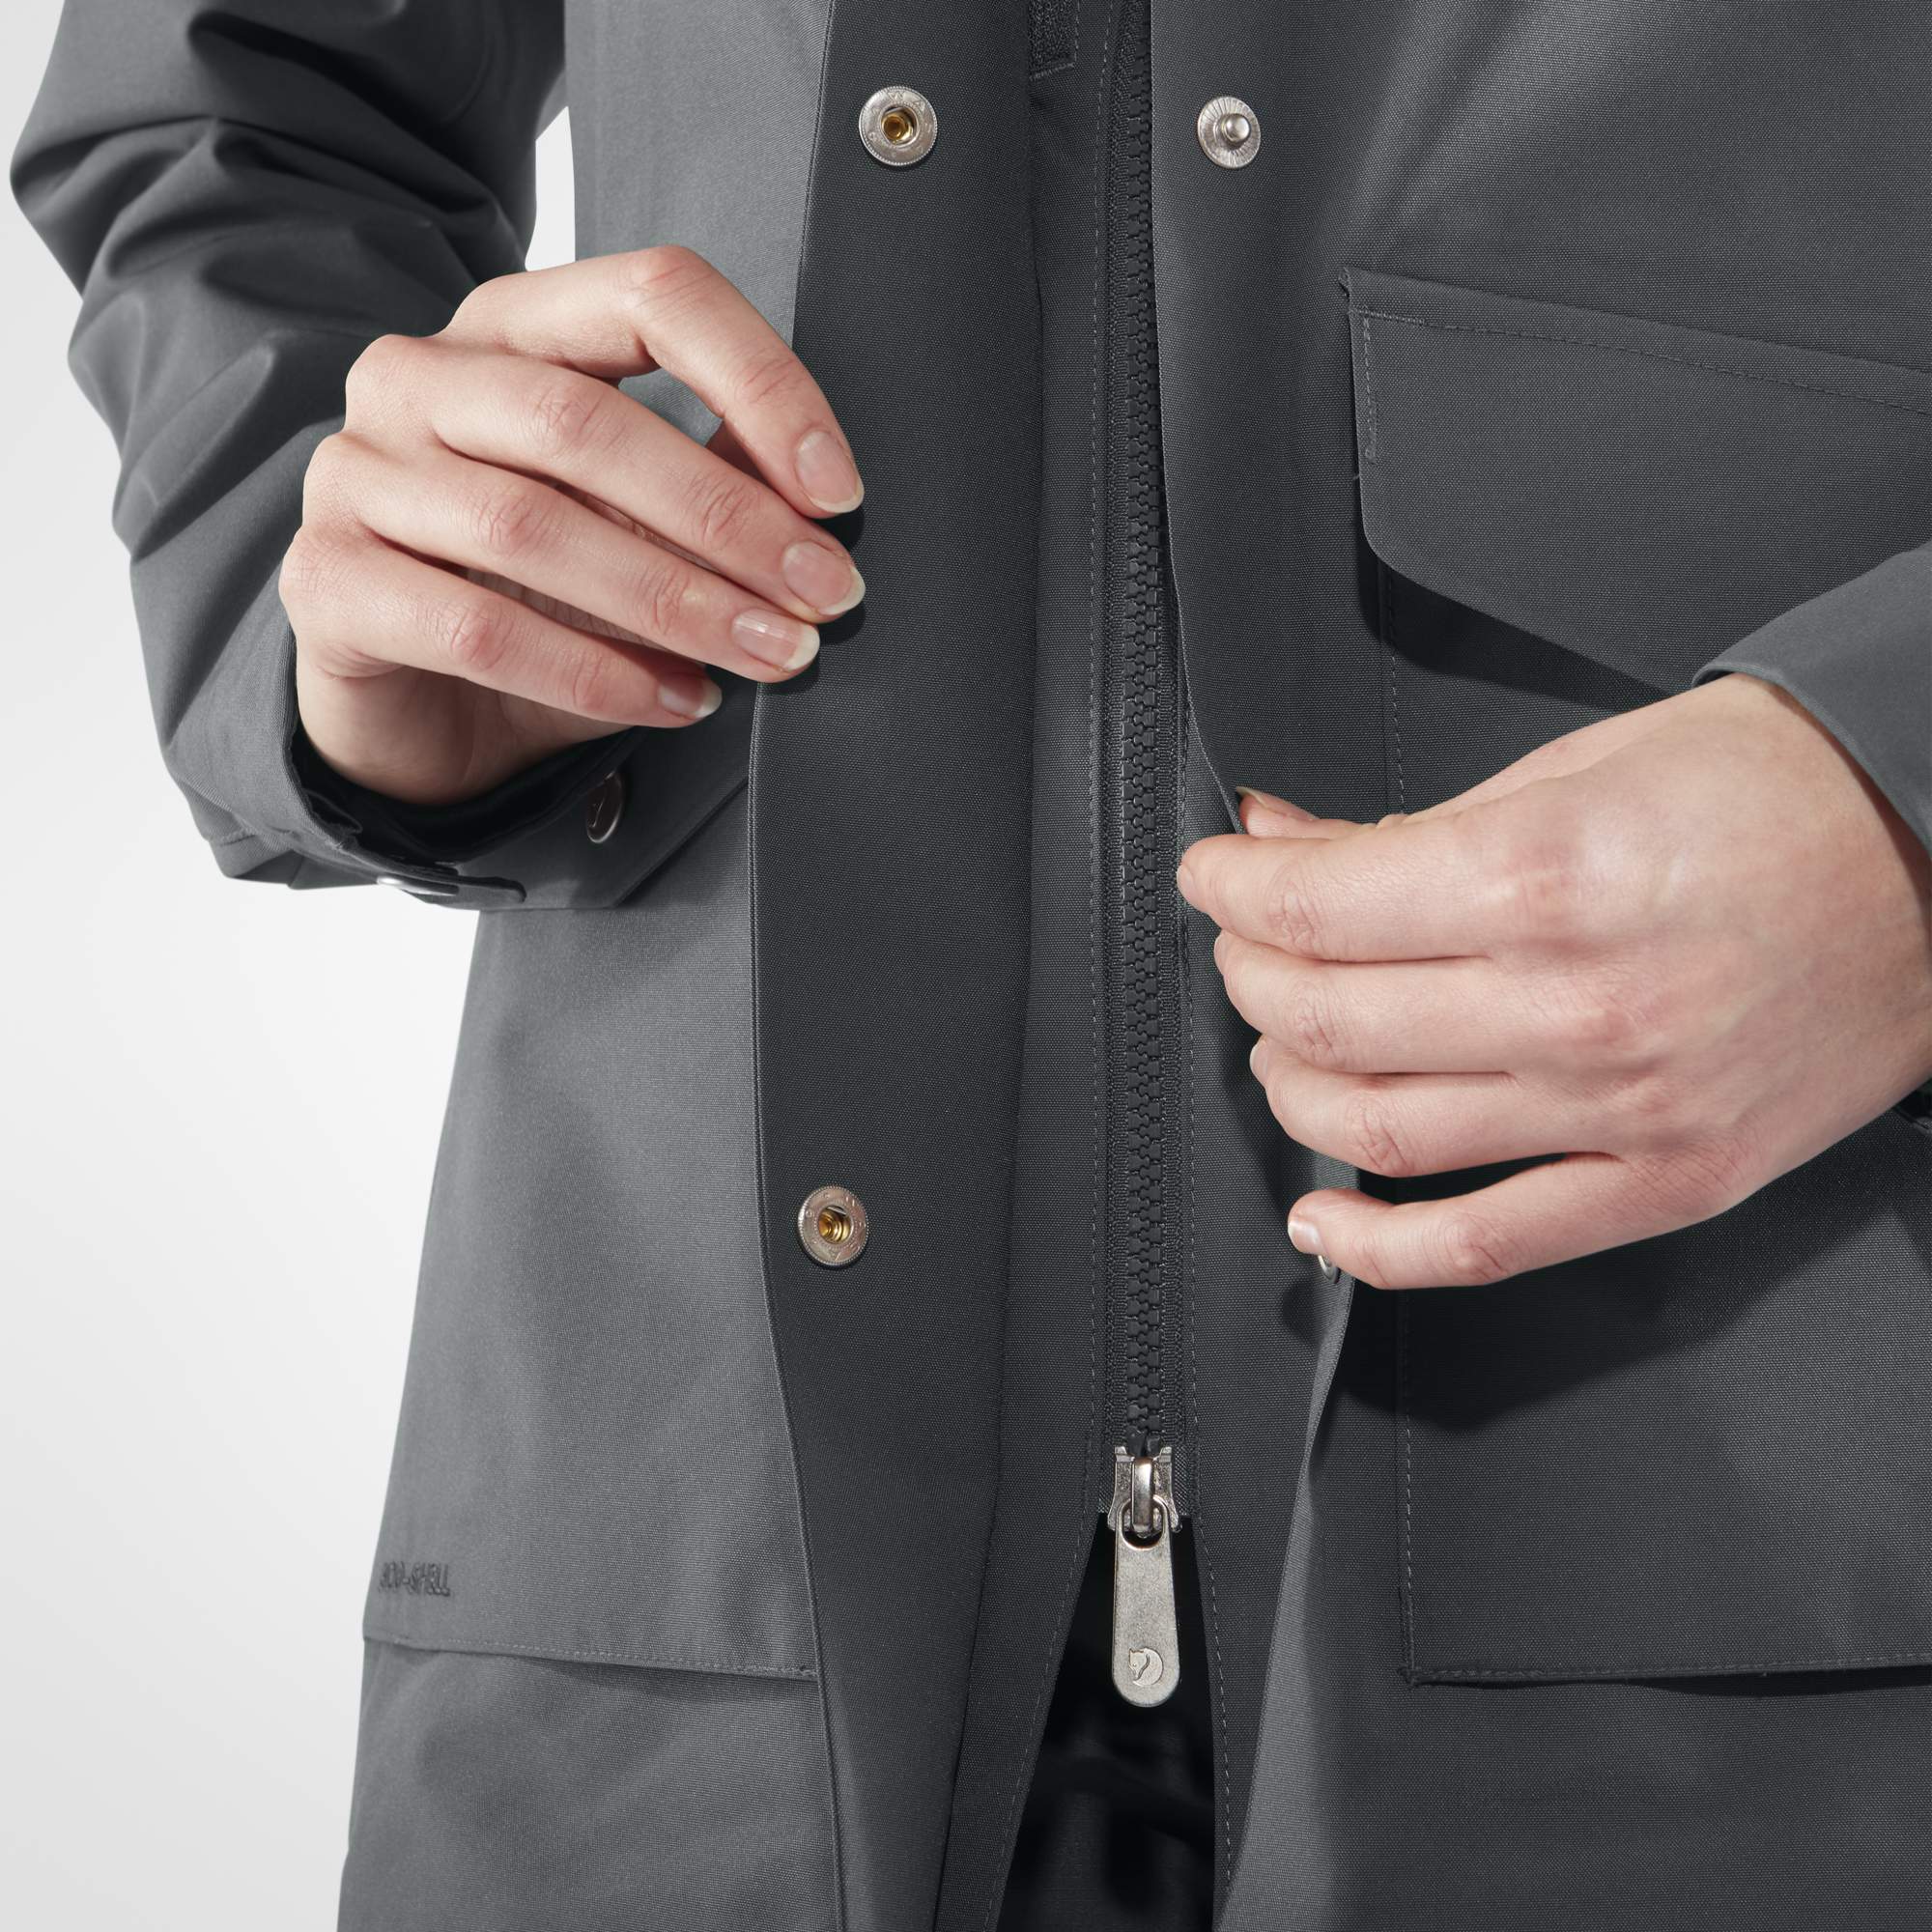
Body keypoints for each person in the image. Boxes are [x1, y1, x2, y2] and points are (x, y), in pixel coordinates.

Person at [16, 2, 1932, 1926]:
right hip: (690, 1556)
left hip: (1745, 1499)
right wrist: (339, 555)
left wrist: (1903, 785)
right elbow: (233, 102)